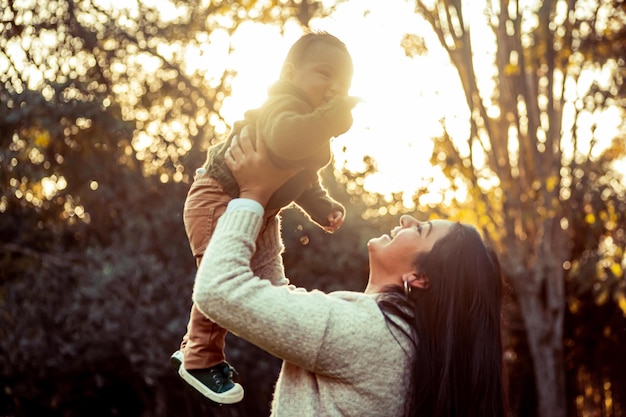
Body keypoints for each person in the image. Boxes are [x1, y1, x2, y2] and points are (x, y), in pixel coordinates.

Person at [188, 131, 509, 416]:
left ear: (419, 277)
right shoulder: (397, 339)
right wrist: (269, 202)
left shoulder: (371, 334)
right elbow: (272, 294)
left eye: (421, 229)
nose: (408, 219)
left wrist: (253, 196)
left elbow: (218, 290)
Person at [171, 31, 360, 403]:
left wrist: (320, 205)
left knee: (268, 290)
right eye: (324, 74)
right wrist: (330, 120)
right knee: (222, 279)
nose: (335, 89)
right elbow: (287, 141)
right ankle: (199, 357)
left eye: (344, 84)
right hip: (217, 200)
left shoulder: (308, 123)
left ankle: (193, 345)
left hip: (257, 211)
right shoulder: (282, 107)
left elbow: (303, 177)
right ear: (290, 73)